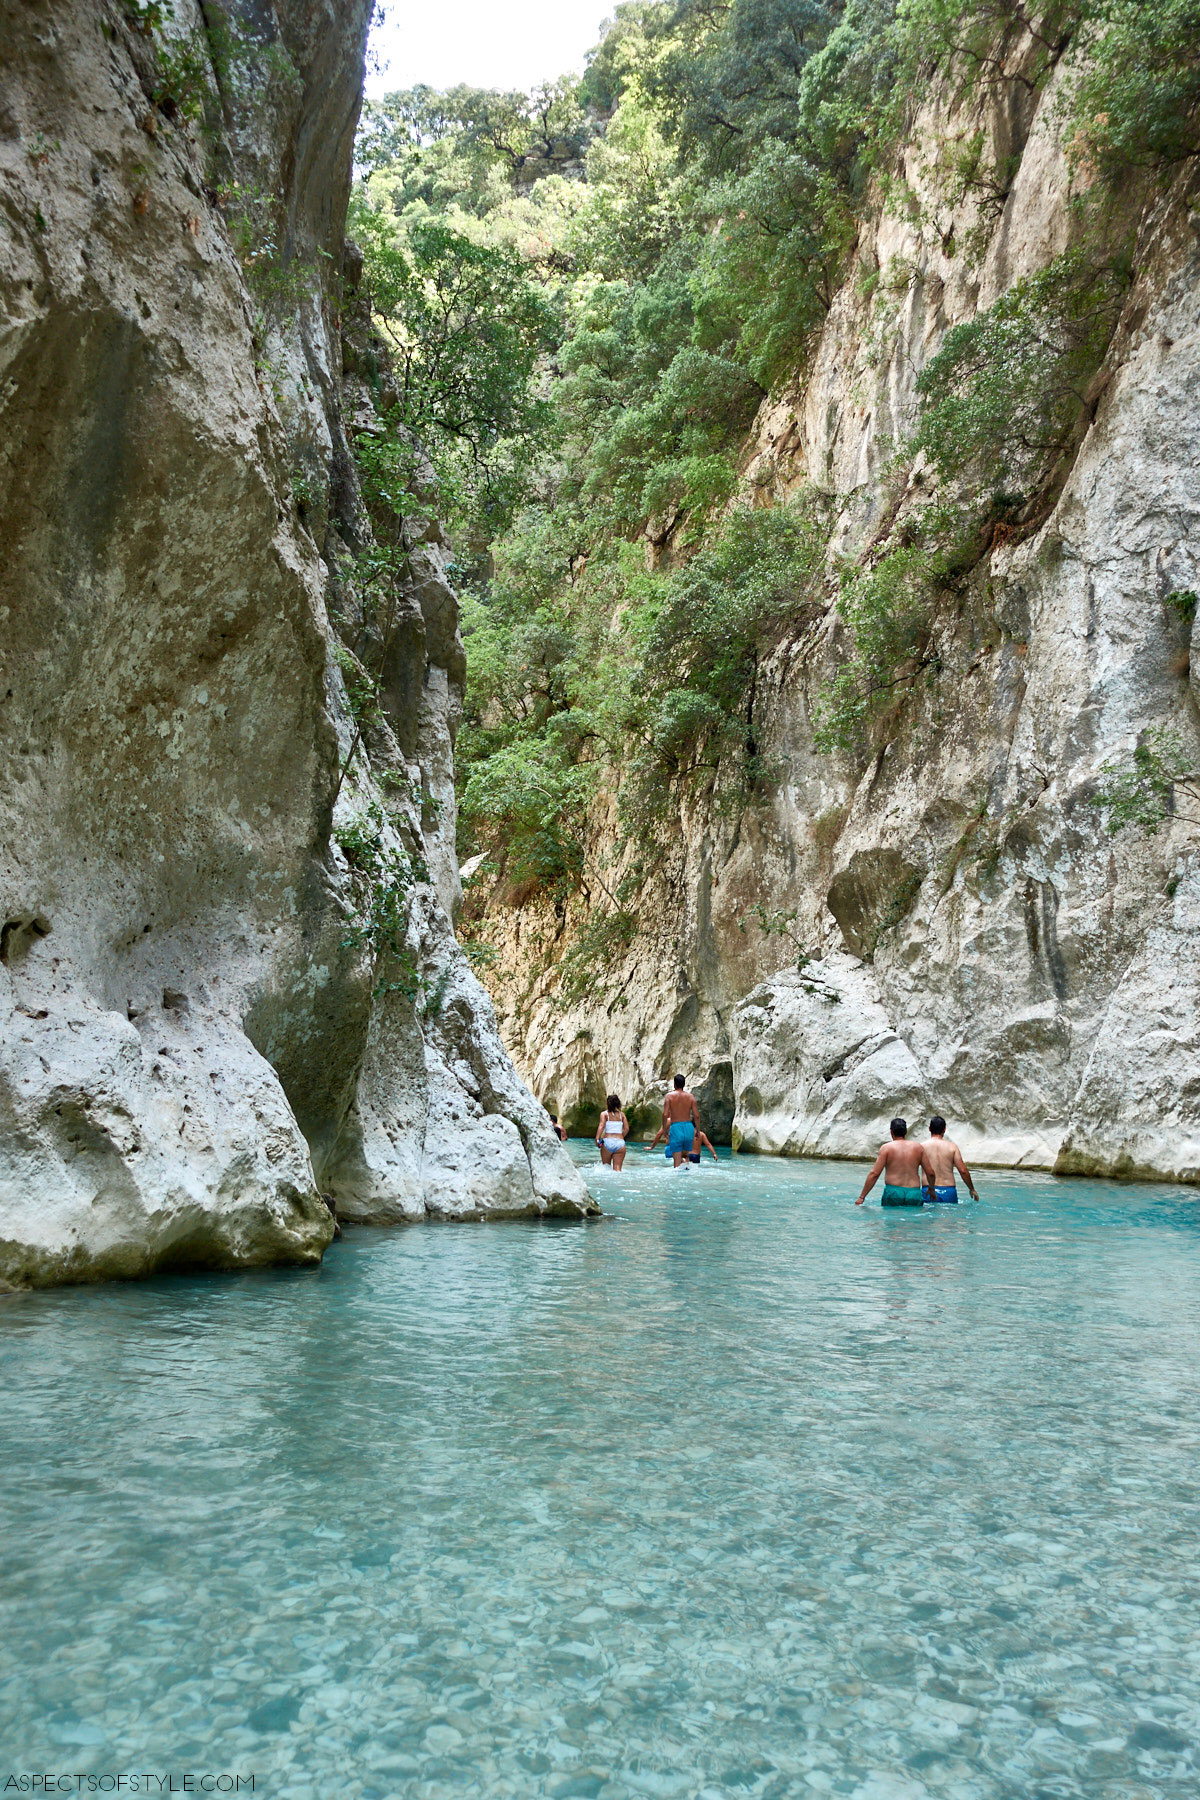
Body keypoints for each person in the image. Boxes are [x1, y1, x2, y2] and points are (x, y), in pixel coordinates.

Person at [855, 1117, 930, 1207]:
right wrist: (932, 1189)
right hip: (914, 1193)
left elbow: (874, 1173)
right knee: (912, 1220)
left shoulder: (886, 1148)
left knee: (892, 1220)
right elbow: (930, 1173)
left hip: (893, 1193)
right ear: (905, 1132)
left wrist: (862, 1197)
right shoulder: (918, 1148)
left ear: (891, 1132)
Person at [921, 1115, 979, 1202]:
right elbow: (963, 1170)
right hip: (948, 1191)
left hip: (928, 1190)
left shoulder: (922, 1147)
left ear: (929, 1129)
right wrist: (972, 1189)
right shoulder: (952, 1147)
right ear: (944, 1129)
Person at [648, 1073, 701, 1167]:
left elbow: (665, 1114)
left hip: (676, 1126)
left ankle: (677, 1179)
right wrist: (698, 1130)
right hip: (689, 1127)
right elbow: (696, 1115)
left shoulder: (669, 1096)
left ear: (674, 1084)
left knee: (677, 1161)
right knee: (685, 1156)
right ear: (684, 1084)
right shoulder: (691, 1097)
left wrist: (664, 1129)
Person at [595, 1093, 629, 1171]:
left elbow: (601, 1125)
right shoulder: (622, 1115)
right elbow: (626, 1128)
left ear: (607, 1103)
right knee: (618, 1169)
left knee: (606, 1168)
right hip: (620, 1143)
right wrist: (621, 1137)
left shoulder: (604, 1114)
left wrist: (597, 1138)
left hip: (608, 1142)